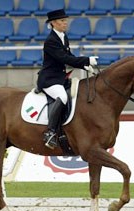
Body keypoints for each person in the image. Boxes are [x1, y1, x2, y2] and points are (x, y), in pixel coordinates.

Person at [37, 9, 98, 149]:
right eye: (62, 21)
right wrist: (86, 60)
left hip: (60, 78)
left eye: (65, 20)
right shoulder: (51, 41)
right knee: (62, 97)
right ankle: (50, 132)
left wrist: (84, 66)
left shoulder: (63, 36)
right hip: (49, 80)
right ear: (53, 23)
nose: (65, 23)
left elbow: (69, 56)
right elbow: (64, 58)